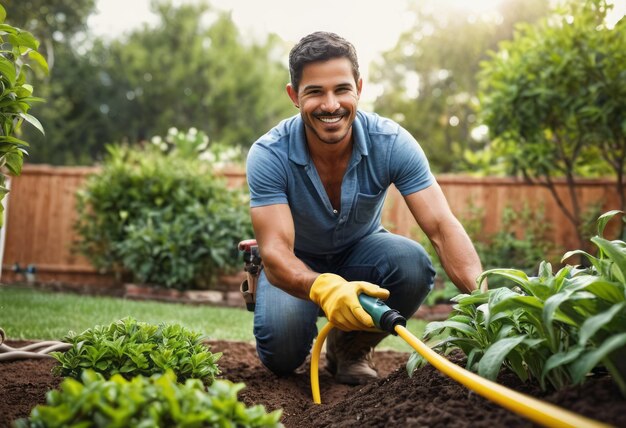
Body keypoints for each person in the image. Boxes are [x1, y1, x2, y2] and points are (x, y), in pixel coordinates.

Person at [245, 31, 485, 385]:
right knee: (282, 356)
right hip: (295, 262)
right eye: (315, 92)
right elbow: (277, 252)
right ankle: (293, 326)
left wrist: (486, 303)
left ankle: (349, 347)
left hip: (362, 253)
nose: (330, 105)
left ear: (358, 87)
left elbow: (442, 227)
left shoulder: (392, 142)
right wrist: (323, 287)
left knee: (411, 263)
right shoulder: (269, 154)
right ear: (294, 96)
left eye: (341, 89)